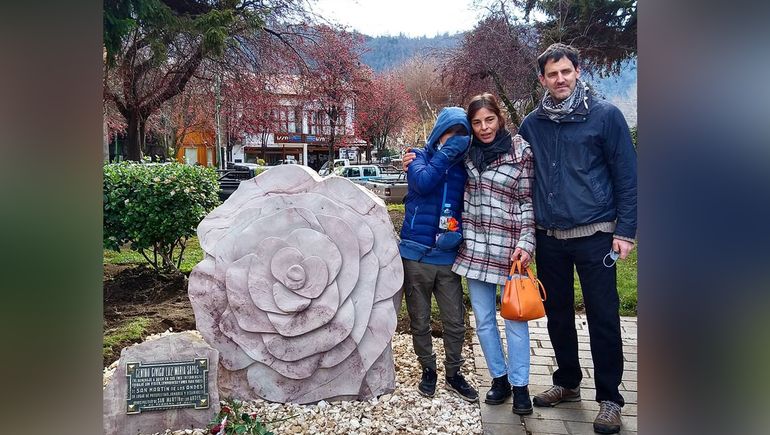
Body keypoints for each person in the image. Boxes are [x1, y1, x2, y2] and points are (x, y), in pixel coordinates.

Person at [518, 43, 637, 434]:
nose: (560, 79)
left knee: (603, 316)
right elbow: (515, 172)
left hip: (596, 236)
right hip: (549, 236)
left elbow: (627, 177)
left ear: (577, 71)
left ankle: (610, 399)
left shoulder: (605, 117)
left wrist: (626, 231)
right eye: (552, 74)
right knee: (557, 315)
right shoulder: (532, 124)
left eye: (566, 71)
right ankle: (568, 381)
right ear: (543, 80)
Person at [403, 94, 536, 416]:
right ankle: (488, 378)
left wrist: (528, 241)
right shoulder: (451, 156)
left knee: (505, 321)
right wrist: (440, 151)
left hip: (502, 251)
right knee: (477, 322)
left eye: (488, 120)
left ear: (499, 119)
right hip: (465, 252)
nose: (482, 128)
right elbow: (424, 179)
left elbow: (528, 199)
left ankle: (516, 385)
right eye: (475, 123)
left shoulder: (512, 153)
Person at [399, 106, 479, 402]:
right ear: (438, 132)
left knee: (454, 320)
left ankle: (454, 373)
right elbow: (422, 183)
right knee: (419, 319)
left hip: (447, 258)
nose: (456, 139)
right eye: (451, 132)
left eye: (462, 134)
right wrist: (445, 154)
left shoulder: (465, 166)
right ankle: (428, 370)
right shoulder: (418, 157)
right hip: (416, 256)